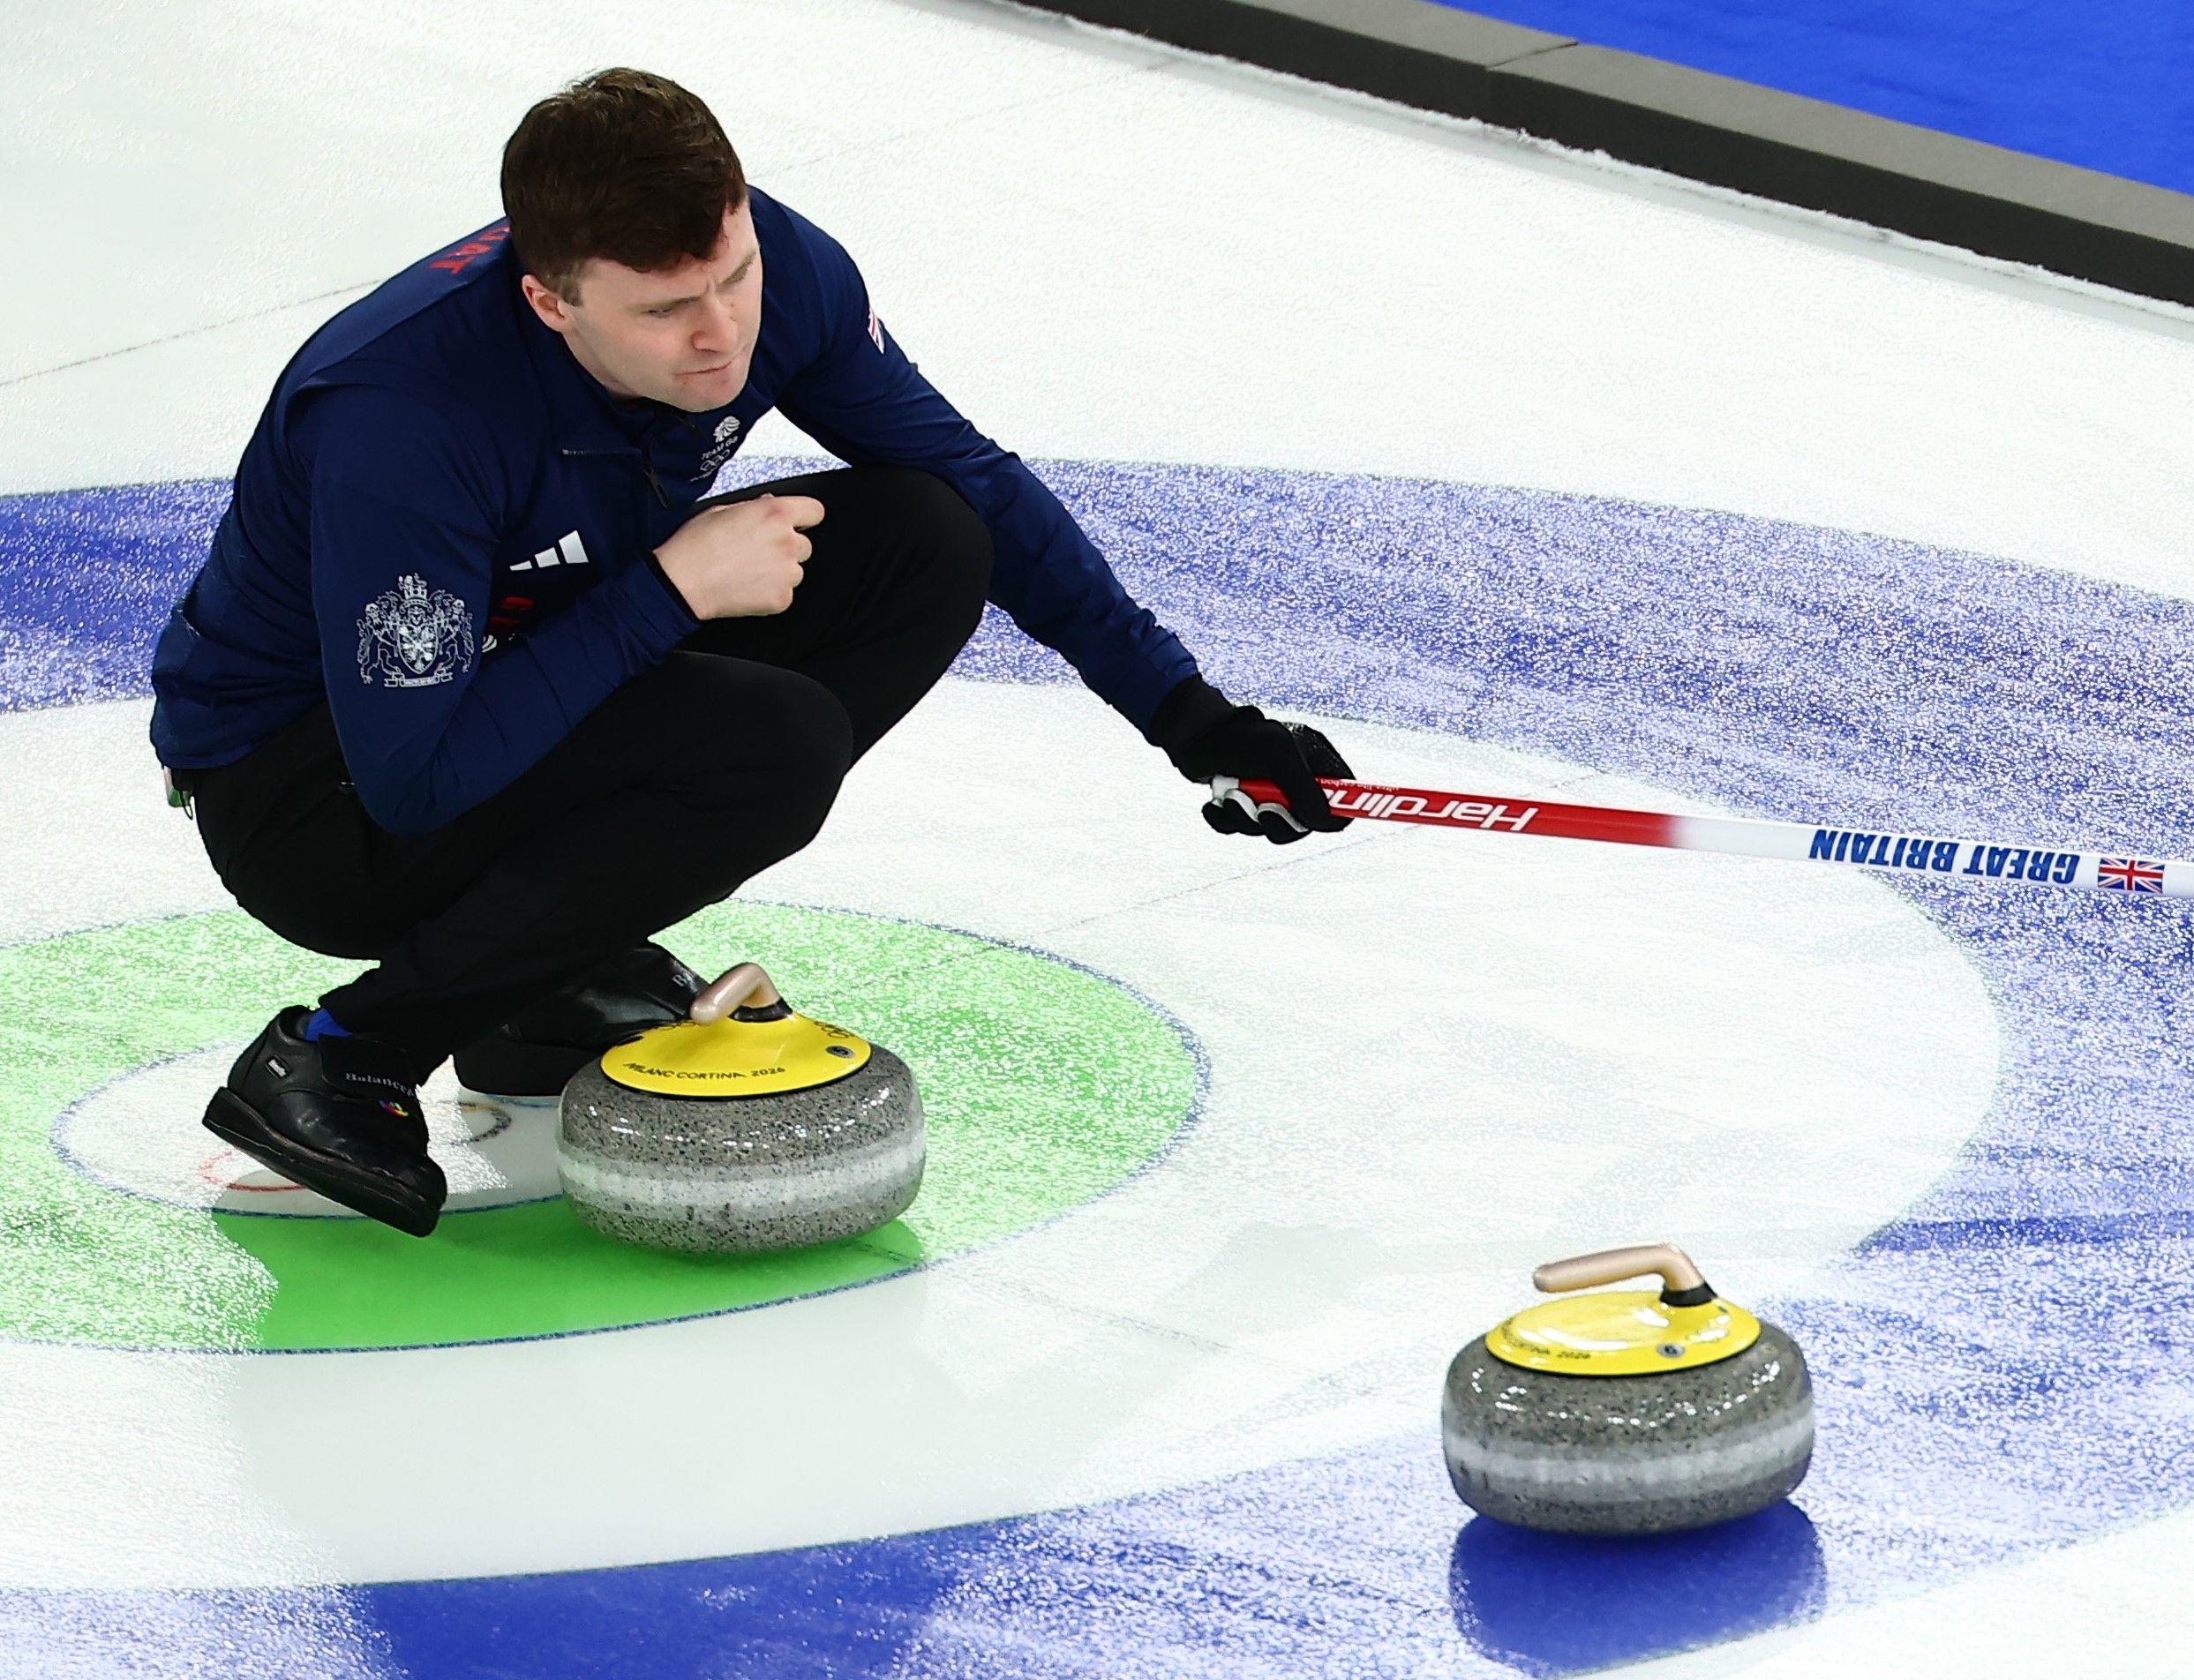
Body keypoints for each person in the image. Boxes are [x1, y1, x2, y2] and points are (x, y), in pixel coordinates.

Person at [147, 68, 1352, 1239]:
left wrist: (1191, 718)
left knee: (928, 539)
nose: (719, 337)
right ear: (551, 302)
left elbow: (977, 484)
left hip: (527, 676)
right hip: (319, 796)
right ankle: (341, 1057)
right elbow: (417, 779)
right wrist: (669, 591)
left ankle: (541, 981)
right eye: (664, 312)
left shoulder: (788, 270)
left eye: (732, 278)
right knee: (772, 746)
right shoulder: (405, 421)